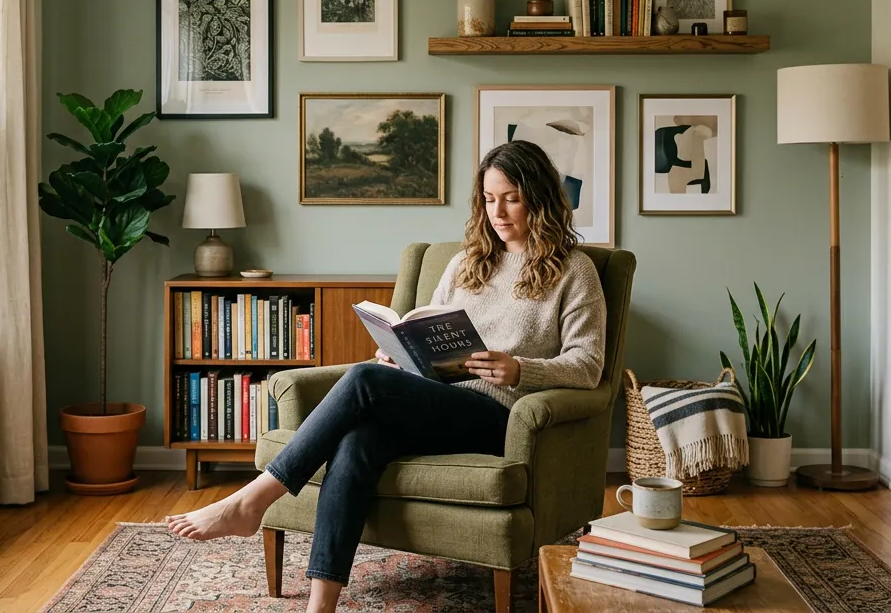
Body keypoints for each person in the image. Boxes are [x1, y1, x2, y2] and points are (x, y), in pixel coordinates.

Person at [164, 139, 608, 612]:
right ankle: (321, 606)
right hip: (439, 399)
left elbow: (588, 365)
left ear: (539, 198)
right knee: (358, 440)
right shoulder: (465, 262)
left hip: (502, 416)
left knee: (363, 380)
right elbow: (433, 325)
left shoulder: (573, 270)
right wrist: (402, 353)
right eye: (488, 198)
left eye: (511, 198)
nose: (497, 212)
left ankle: (252, 500)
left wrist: (521, 368)